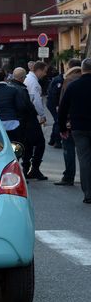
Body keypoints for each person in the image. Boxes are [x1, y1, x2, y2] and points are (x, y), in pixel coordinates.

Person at [58, 58, 91, 203]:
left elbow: (63, 108)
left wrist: (62, 128)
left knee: (84, 160)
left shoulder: (73, 85)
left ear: (82, 69)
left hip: (79, 128)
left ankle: (88, 194)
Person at [10, 67, 47, 180]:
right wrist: (38, 114)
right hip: (28, 121)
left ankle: (26, 170)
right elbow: (28, 106)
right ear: (22, 78)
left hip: (18, 122)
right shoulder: (21, 89)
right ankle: (33, 169)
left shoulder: (10, 87)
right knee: (40, 143)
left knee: (27, 145)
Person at [55, 64, 82, 186]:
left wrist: (63, 124)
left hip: (71, 122)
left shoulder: (69, 81)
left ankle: (68, 177)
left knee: (69, 149)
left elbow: (63, 104)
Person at [0, 68, 26, 144]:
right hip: (13, 124)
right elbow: (21, 107)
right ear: (5, 78)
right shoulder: (13, 90)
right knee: (15, 146)